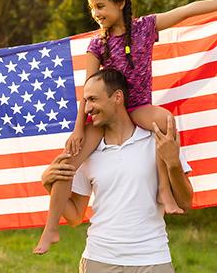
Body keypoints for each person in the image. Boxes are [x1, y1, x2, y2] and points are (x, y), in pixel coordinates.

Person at [34, 0, 217, 254]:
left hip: (137, 107)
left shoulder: (145, 28)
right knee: (67, 161)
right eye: (92, 8)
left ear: (120, 2)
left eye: (100, 6)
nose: (95, 13)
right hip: (104, 112)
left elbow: (187, 10)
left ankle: (164, 190)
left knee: (164, 121)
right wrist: (79, 128)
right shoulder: (97, 44)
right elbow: (87, 90)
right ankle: (51, 228)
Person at [43, 68, 193, 272]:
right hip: (99, 260)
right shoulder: (87, 151)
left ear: (117, 97)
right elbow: (75, 217)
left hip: (153, 259)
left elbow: (185, 203)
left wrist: (173, 163)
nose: (87, 109)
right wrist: (48, 184)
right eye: (86, 101)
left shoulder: (156, 137)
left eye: (93, 99)